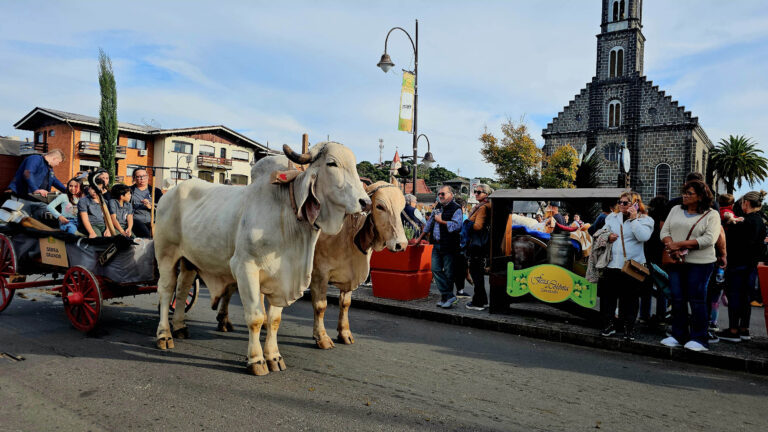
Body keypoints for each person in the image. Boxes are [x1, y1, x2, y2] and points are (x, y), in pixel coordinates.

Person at [660, 180, 720, 351]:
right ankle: (678, 335)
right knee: (677, 299)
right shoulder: (675, 209)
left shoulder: (712, 215)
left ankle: (699, 339)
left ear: (700, 196)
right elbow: (665, 231)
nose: (684, 195)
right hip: (676, 262)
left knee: (697, 299)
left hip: (700, 264)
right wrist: (671, 245)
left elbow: (709, 239)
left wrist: (679, 245)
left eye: (689, 193)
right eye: (684, 192)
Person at [598, 192, 654, 341]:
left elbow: (643, 237)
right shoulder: (612, 217)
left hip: (632, 265)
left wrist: (634, 219)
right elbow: (602, 233)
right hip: (612, 264)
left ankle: (629, 327)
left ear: (635, 204)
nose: (621, 205)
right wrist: (608, 237)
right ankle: (609, 325)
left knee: (630, 299)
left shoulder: (646, 220)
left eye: (626, 203)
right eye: (620, 202)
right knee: (609, 298)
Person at [716, 190, 767, 342]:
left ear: (746, 203)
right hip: (751, 265)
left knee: (734, 296)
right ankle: (744, 329)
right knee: (746, 298)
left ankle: (733, 330)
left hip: (738, 263)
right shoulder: (760, 221)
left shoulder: (744, 222)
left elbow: (732, 241)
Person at [415, 185, 463, 308]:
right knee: (435, 269)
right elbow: (429, 223)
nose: (440, 196)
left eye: (443, 194)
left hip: (449, 245)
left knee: (448, 273)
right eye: (439, 194)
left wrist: (441, 221)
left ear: (450, 195)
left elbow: (457, 226)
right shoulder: (437, 207)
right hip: (436, 243)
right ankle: (449, 296)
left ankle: (445, 298)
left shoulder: (456, 208)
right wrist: (419, 239)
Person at [5, 149, 67, 219]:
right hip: (23, 198)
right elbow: (28, 173)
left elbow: (54, 180)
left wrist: (67, 191)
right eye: (58, 162)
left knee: (44, 220)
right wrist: (35, 189)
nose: (58, 165)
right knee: (22, 222)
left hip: (38, 200)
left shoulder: (49, 168)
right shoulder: (35, 159)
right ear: (54, 158)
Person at [640, 195, 669, 327]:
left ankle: (644, 316)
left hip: (646, 257)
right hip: (661, 259)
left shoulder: (647, 220)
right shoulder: (666, 223)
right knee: (662, 288)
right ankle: (661, 316)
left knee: (646, 288)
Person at [466, 184, 493, 310]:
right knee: (478, 273)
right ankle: (483, 300)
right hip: (484, 244)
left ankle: (478, 302)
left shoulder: (482, 208)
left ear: (486, 195)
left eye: (479, 192)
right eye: (475, 192)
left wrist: (468, 222)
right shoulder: (488, 206)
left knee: (475, 272)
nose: (476, 194)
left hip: (477, 244)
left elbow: (477, 226)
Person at [130, 168, 163, 238]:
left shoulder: (156, 191)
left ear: (148, 177)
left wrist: (151, 207)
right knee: (147, 236)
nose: (142, 179)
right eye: (138, 177)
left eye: (144, 176)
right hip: (136, 221)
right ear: (134, 178)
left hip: (152, 221)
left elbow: (163, 208)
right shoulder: (129, 191)